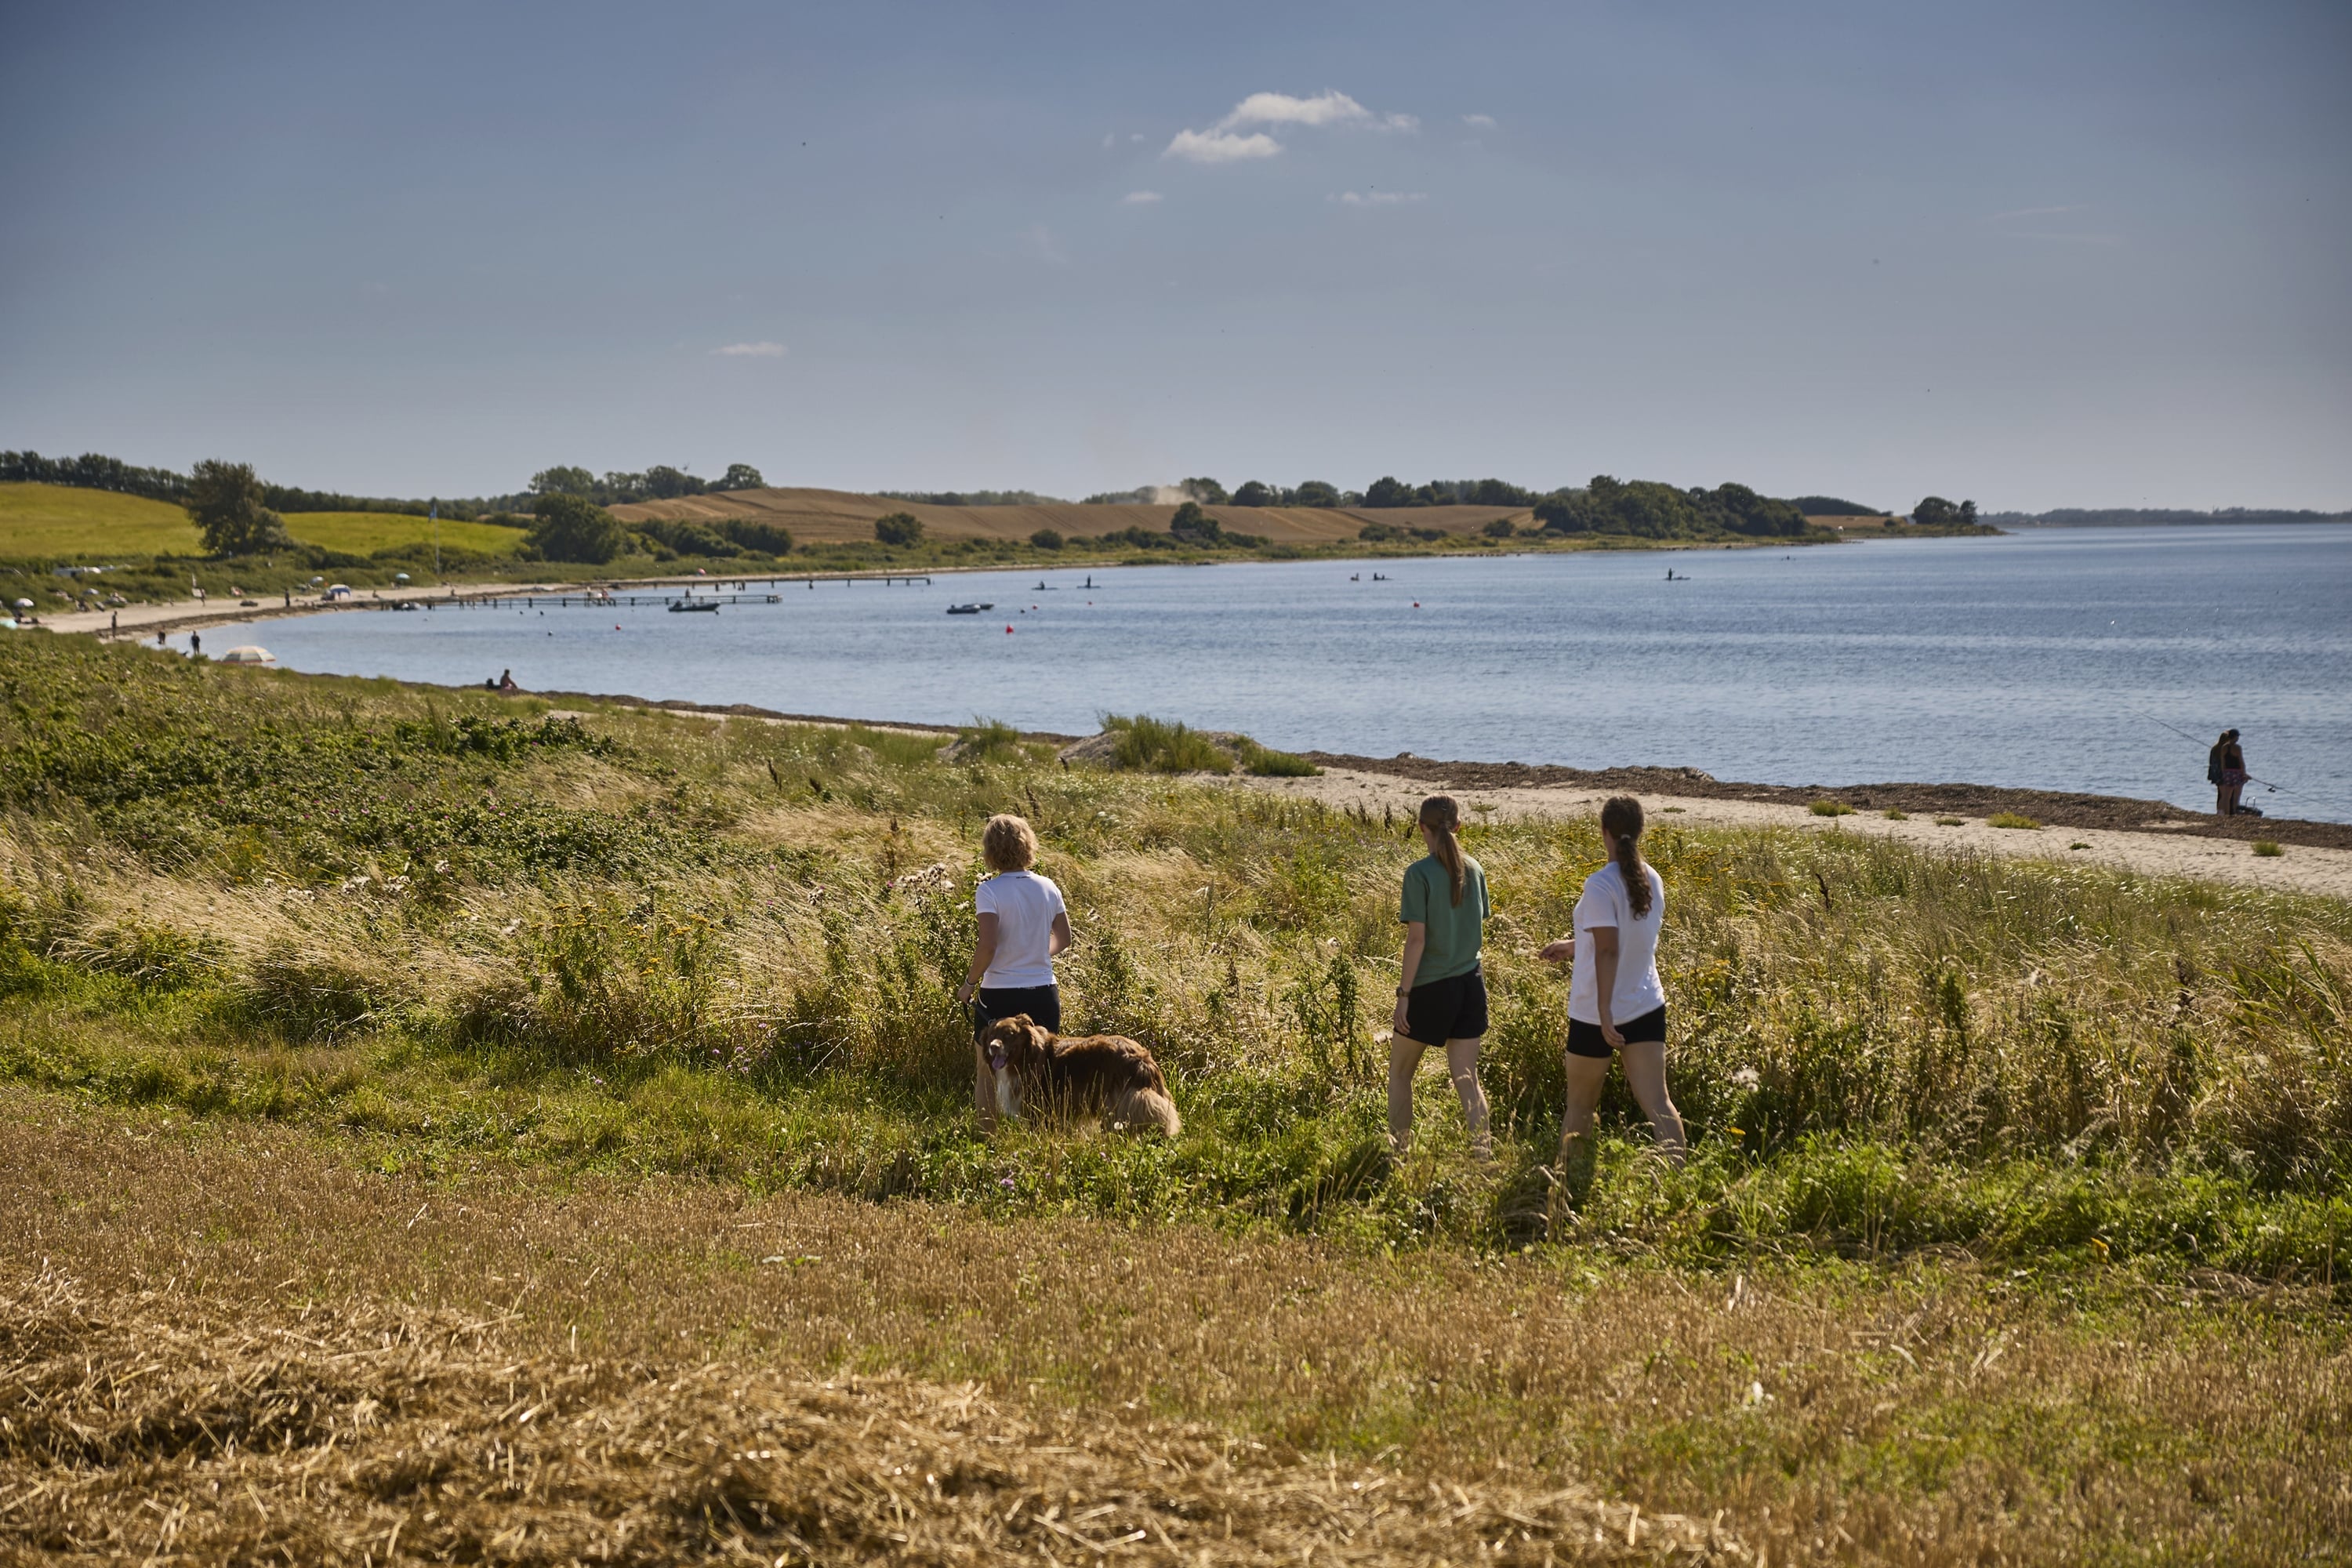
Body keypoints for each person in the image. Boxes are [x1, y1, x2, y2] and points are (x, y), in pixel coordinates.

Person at [1541, 796, 1686, 1199]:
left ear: (1604, 831)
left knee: (1581, 1107)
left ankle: (1568, 1191)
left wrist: (1605, 1012)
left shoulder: (1601, 883)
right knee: (1659, 1104)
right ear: (1639, 832)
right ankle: (1677, 1188)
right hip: (1645, 1006)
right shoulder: (1651, 878)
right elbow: (1618, 937)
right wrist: (1572, 947)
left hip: (1595, 1013)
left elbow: (1608, 949)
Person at [1388, 795, 1492, 1160]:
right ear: (1459, 827)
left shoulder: (1418, 874)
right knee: (1467, 1080)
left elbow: (1417, 940)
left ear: (1422, 828)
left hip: (1432, 988)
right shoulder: (1475, 869)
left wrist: (1404, 994)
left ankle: (1400, 1158)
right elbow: (1476, 926)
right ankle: (1483, 1160)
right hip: (1471, 985)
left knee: (1400, 1074)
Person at [956, 814, 1072, 1120]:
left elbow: (988, 946)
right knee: (1042, 1071)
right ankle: (1042, 1137)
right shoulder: (1049, 887)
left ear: (990, 851)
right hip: (1044, 992)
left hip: (999, 995)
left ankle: (987, 1138)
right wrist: (1034, 954)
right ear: (1028, 846)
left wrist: (969, 984)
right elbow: (1064, 938)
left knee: (986, 1070)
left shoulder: (989, 891)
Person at [2218, 729, 2248, 817]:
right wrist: (2244, 774)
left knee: (2227, 795)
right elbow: (2241, 761)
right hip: (2237, 772)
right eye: (2237, 736)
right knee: (2237, 794)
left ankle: (2227, 813)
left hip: (2227, 772)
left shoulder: (2224, 747)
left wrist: (2224, 773)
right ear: (2235, 737)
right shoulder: (2238, 748)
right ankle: (2234, 812)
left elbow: (2223, 762)